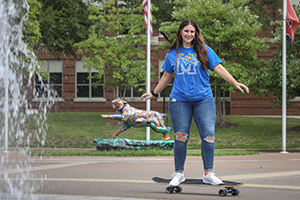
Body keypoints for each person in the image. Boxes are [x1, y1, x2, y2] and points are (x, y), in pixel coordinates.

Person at [140, 19, 249, 186]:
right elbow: (166, 77)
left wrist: (234, 82)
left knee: (209, 137)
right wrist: (154, 93)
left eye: (192, 31)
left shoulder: (204, 51)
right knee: (180, 137)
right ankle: (178, 174)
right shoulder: (172, 54)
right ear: (180, 33)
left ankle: (208, 173)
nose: (189, 34)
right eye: (186, 31)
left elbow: (218, 68)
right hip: (179, 101)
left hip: (203, 100)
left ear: (196, 33)